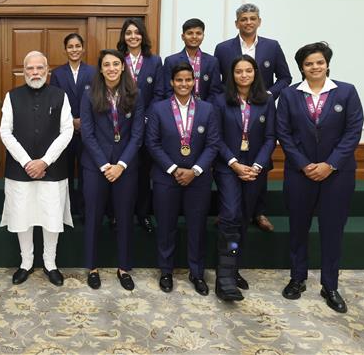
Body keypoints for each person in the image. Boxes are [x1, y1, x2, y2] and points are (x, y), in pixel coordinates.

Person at [277, 42, 363, 313]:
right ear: (301, 68)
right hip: (299, 173)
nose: (314, 67)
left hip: (337, 175)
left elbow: (353, 131)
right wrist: (304, 165)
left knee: (332, 230)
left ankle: (330, 285)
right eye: (308, 64)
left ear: (327, 63)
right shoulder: (290, 96)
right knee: (298, 228)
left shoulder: (346, 92)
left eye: (319, 62)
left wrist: (330, 164)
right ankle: (297, 278)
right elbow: (284, 134)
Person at [214, 3, 292, 232]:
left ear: (259, 21)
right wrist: (226, 101)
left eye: (252, 18)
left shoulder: (272, 46)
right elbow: (217, 82)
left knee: (260, 164)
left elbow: (285, 78)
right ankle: (227, 211)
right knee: (230, 166)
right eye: (244, 19)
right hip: (232, 109)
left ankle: (258, 212)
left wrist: (267, 95)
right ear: (237, 23)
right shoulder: (223, 48)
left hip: (260, 111)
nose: (248, 22)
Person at [0, 51, 74, 288]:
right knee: (23, 217)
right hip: (20, 171)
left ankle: (50, 263)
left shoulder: (60, 95)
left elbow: (67, 131)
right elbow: (5, 132)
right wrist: (26, 162)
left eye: (39, 68)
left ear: (47, 71)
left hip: (52, 170)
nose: (35, 73)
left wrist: (45, 161)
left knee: (51, 217)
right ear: (24, 71)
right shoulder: (11, 96)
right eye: (30, 69)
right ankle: (26, 262)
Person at [146, 62, 220, 296]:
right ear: (172, 82)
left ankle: (196, 273)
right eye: (179, 80)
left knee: (196, 227)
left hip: (198, 179)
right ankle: (166, 271)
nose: (184, 84)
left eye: (188, 80)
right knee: (166, 226)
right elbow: (152, 143)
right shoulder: (158, 109)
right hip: (166, 178)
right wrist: (173, 168)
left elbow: (213, 144)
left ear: (194, 81)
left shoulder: (208, 109)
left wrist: (195, 170)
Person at [212, 55, 275, 301]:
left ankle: (233, 267)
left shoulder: (267, 101)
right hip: (229, 166)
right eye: (239, 71)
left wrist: (257, 165)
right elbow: (215, 137)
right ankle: (224, 277)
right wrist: (235, 164)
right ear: (232, 75)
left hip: (255, 168)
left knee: (245, 217)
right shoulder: (219, 101)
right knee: (230, 214)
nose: (244, 75)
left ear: (255, 73)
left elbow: (271, 137)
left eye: (248, 70)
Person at [79, 49, 143, 290]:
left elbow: (137, 135)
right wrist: (105, 165)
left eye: (116, 64)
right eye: (107, 65)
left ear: (123, 67)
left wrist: (121, 165)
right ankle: (92, 267)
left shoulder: (136, 94)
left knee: (125, 217)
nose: (112, 68)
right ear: (101, 68)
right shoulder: (89, 94)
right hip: (96, 167)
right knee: (94, 217)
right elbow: (87, 132)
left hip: (126, 167)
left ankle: (124, 268)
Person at [117, 17, 162, 232]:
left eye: (137, 32)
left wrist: (146, 118)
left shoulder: (154, 61)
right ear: (123, 37)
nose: (133, 36)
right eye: (128, 33)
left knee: (143, 173)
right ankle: (117, 214)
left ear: (143, 36)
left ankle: (143, 214)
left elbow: (160, 93)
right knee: (120, 172)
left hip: (145, 125)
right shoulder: (117, 59)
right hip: (119, 126)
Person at [49, 33, 96, 217]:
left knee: (86, 172)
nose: (74, 50)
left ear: (83, 48)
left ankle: (84, 210)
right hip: (65, 131)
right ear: (65, 50)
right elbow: (54, 101)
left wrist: (84, 121)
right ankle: (66, 211)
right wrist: (71, 121)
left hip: (88, 131)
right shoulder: (58, 73)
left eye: (77, 46)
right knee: (65, 172)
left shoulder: (92, 72)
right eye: (70, 46)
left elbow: (97, 100)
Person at [161, 18, 223, 102]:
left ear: (203, 36)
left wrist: (206, 108)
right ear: (183, 36)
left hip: (205, 110)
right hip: (177, 109)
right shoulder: (171, 61)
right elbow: (168, 91)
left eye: (198, 33)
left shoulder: (212, 61)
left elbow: (215, 92)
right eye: (190, 33)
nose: (194, 36)